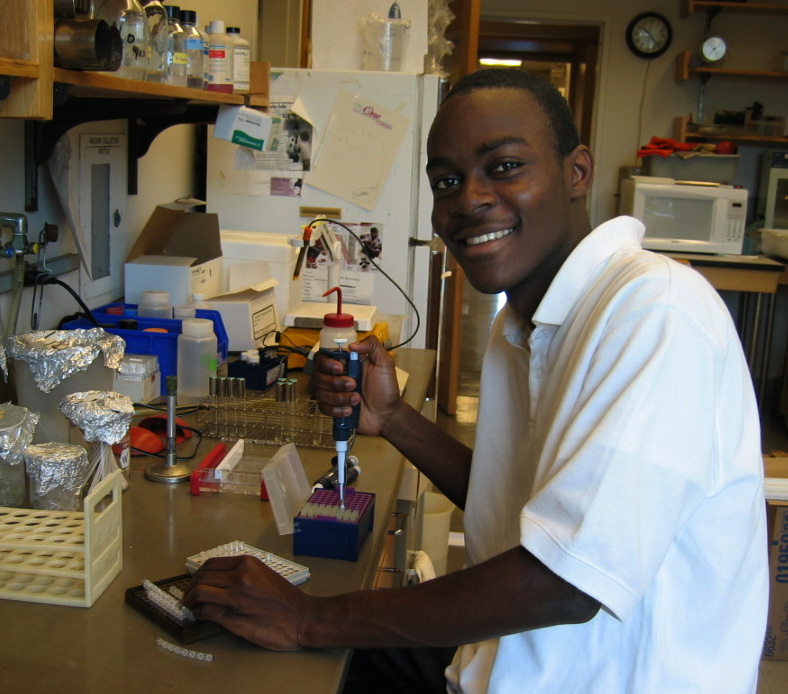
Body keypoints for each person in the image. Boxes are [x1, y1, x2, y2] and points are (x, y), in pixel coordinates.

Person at [184, 69, 768, 693]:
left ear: (577, 172)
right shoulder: (527, 324)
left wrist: (307, 620)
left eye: (505, 166)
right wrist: (394, 420)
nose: (469, 200)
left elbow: (565, 583)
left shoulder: (654, 312)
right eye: (447, 181)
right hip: (504, 663)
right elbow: (515, 501)